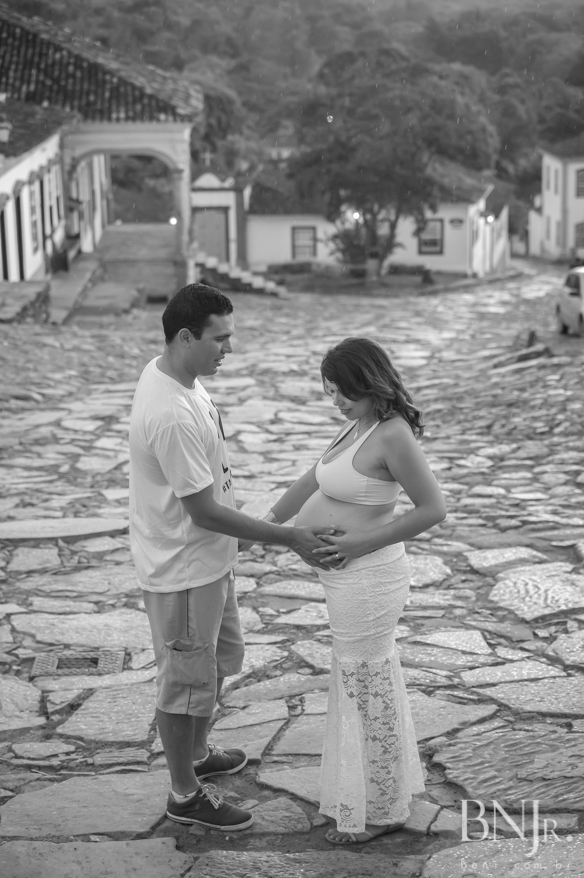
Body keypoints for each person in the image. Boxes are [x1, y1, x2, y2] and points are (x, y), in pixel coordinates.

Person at [128, 283, 332, 832]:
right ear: (185, 337)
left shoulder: (179, 378)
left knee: (217, 664)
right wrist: (288, 536)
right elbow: (203, 512)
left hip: (209, 562)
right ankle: (184, 794)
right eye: (220, 339)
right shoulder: (171, 412)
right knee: (183, 684)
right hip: (183, 569)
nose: (230, 349)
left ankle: (197, 755)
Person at [265, 337, 447, 845]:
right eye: (330, 392)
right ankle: (375, 791)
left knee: (367, 687)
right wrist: (265, 527)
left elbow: (433, 509)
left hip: (370, 577)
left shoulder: (392, 434)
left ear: (370, 383)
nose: (337, 401)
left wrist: (359, 544)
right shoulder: (356, 425)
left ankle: (384, 809)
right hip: (345, 578)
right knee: (362, 684)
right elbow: (312, 481)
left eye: (344, 391)